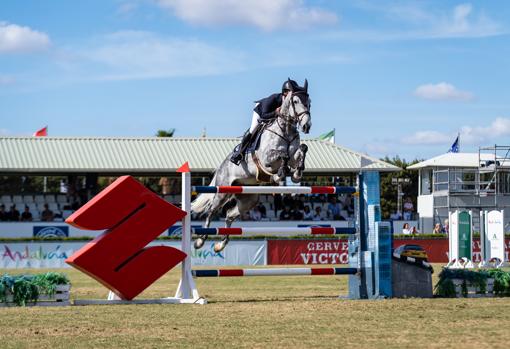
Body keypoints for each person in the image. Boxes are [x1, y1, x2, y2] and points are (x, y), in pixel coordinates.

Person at [230, 79, 303, 165]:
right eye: (292, 92)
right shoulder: (274, 98)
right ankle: (239, 153)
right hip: (261, 112)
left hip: (275, 117)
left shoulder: (290, 103)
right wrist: (275, 112)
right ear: (285, 92)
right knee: (253, 129)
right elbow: (264, 115)